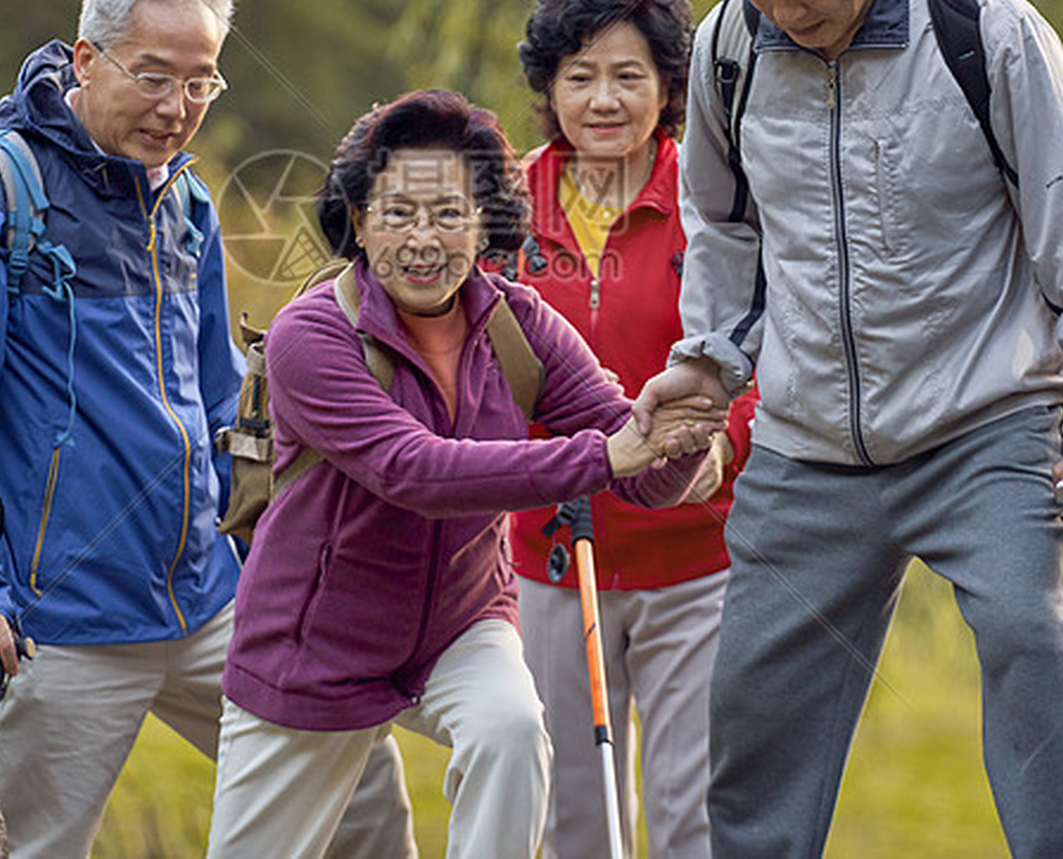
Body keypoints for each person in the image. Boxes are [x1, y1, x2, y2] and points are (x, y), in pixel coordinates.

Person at [635, 0, 1063, 857]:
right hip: (805, 443)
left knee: (1027, 638)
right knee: (752, 718)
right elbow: (725, 228)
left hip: (980, 422)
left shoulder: (981, 28)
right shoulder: (726, 49)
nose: (781, 11)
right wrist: (703, 365)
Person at [0, 0, 412, 858]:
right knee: (25, 847)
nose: (178, 108)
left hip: (213, 600)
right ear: (87, 59)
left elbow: (215, 399)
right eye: (155, 77)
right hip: (58, 626)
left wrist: (266, 540)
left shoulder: (187, 201)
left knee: (361, 791)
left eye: (202, 82)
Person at [206, 89, 721, 859]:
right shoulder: (310, 334)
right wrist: (606, 457)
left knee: (511, 728)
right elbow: (411, 468)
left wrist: (681, 437)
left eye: (449, 214)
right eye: (397, 213)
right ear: (356, 220)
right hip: (315, 646)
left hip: (459, 621)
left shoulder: (520, 323)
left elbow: (635, 469)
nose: (423, 239)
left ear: (487, 225)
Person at [506, 0, 754, 859]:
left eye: (627, 76)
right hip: (547, 554)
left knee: (691, 812)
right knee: (575, 812)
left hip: (698, 561)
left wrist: (728, 433)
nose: (603, 100)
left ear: (667, 88)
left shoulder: (716, 197)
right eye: (580, 77)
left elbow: (765, 342)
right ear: (549, 87)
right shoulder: (502, 205)